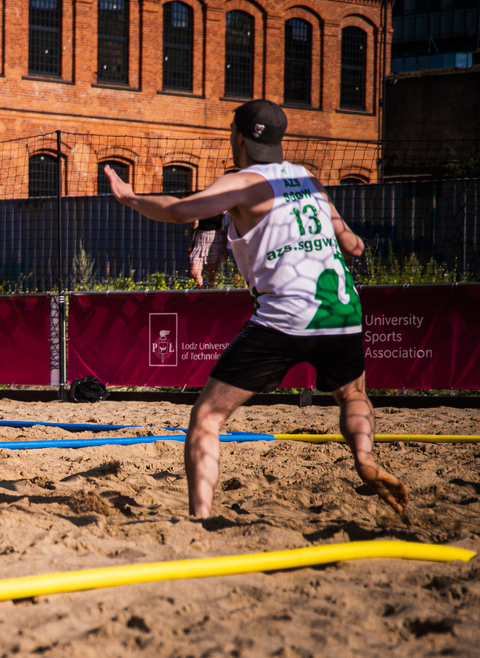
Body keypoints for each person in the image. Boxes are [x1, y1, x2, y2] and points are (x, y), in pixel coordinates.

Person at [104, 99, 408, 518]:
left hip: (283, 319)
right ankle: (365, 460)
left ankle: (201, 518)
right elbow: (353, 245)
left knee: (207, 417)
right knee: (352, 394)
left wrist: (130, 197)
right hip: (342, 312)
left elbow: (177, 210)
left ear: (238, 138)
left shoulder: (244, 185)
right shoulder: (308, 180)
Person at [189, 214, 225, 288]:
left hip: (215, 238)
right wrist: (194, 214)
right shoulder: (200, 205)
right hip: (201, 237)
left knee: (212, 275)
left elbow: (228, 223)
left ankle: (211, 296)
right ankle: (202, 291)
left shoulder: (220, 206)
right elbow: (194, 226)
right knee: (194, 272)